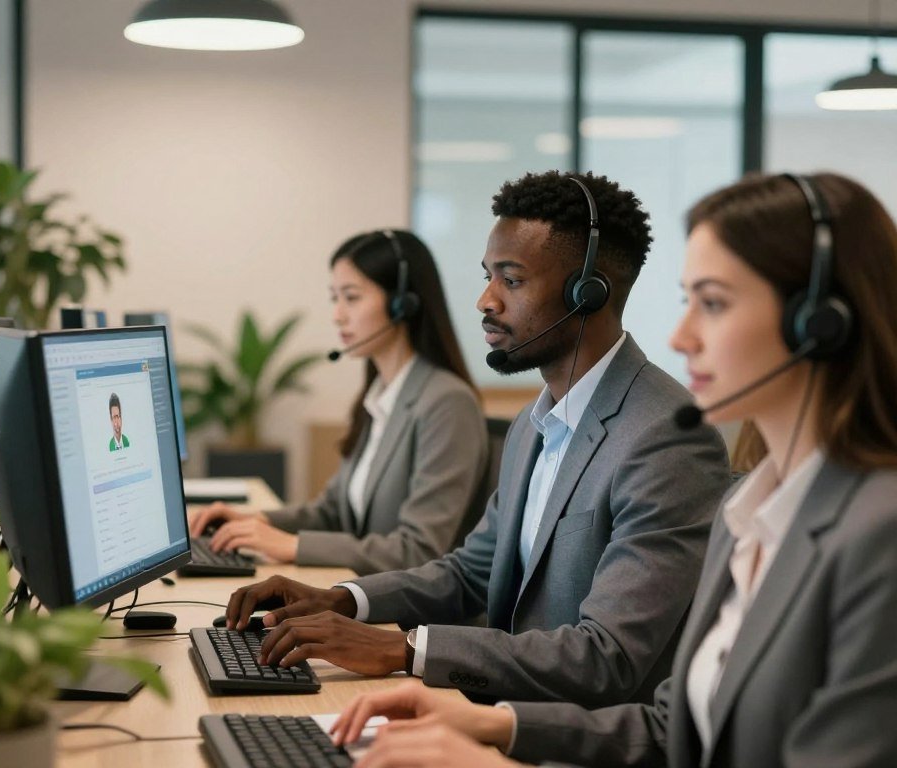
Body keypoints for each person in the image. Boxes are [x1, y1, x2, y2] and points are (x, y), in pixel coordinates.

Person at [330, 172, 897, 768]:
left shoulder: (874, 538)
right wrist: (490, 724)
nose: (681, 337)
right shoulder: (749, 513)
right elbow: (671, 729)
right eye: (687, 302)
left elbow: (610, 660)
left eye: (713, 303)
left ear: (818, 323)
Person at [223, 171, 731, 706]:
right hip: (494, 712)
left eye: (510, 280)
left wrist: (404, 650)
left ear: (589, 292)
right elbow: (472, 572)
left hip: (567, 740)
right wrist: (341, 600)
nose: (484, 301)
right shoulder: (534, 424)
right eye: (488, 277)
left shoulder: (665, 438)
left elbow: (605, 657)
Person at [189, 230, 488, 575]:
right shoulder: (379, 396)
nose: (337, 315)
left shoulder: (447, 403)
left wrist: (292, 546)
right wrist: (254, 521)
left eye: (351, 297)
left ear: (402, 303)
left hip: (415, 618)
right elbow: (332, 512)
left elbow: (418, 550)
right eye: (335, 298)